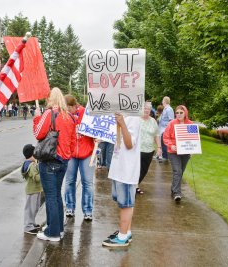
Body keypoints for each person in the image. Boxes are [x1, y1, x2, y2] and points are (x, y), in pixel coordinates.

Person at [33, 87, 76, 242]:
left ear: (50, 99)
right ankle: (58, 228)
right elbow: (73, 141)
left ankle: (52, 233)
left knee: (51, 197)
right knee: (57, 195)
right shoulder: (70, 117)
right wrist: (67, 155)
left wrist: (36, 118)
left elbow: (38, 133)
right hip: (64, 161)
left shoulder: (49, 113)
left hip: (50, 159)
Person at [102, 113, 141, 247]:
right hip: (119, 166)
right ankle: (126, 232)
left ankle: (123, 236)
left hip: (126, 169)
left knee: (126, 204)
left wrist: (122, 123)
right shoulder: (122, 115)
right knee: (123, 202)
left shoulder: (134, 117)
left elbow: (130, 144)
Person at [64, 95, 95, 221]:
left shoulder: (86, 113)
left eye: (67, 109)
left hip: (86, 153)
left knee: (87, 183)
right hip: (71, 154)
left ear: (73, 106)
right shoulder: (66, 116)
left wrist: (97, 138)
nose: (66, 111)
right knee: (69, 181)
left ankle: (88, 210)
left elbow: (95, 128)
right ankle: (70, 207)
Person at [163, 105, 193, 202]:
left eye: (181, 112)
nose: (179, 114)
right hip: (173, 152)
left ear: (185, 113)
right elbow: (165, 137)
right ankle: (177, 193)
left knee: (180, 172)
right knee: (177, 171)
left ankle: (174, 188)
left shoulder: (190, 124)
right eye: (177, 113)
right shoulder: (172, 123)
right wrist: (171, 145)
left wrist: (192, 149)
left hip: (185, 152)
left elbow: (193, 139)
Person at [136, 102, 162, 195]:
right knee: (136, 169)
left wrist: (159, 147)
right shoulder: (136, 120)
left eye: (148, 109)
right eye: (144, 108)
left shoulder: (153, 121)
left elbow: (157, 135)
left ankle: (135, 185)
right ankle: (134, 186)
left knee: (144, 170)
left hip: (149, 150)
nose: (146, 110)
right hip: (136, 150)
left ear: (150, 111)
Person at [21, 144, 43, 235]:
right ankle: (28, 226)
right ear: (32, 155)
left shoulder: (29, 163)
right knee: (30, 209)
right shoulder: (32, 165)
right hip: (32, 190)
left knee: (35, 208)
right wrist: (42, 173)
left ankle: (32, 223)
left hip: (36, 190)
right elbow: (36, 178)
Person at [158, 96, 174, 161]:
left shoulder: (169, 109)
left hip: (165, 129)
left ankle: (165, 157)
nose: (162, 101)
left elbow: (171, 120)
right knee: (161, 142)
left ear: (164, 101)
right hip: (161, 129)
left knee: (164, 142)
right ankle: (160, 155)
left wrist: (167, 130)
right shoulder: (165, 109)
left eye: (162, 100)